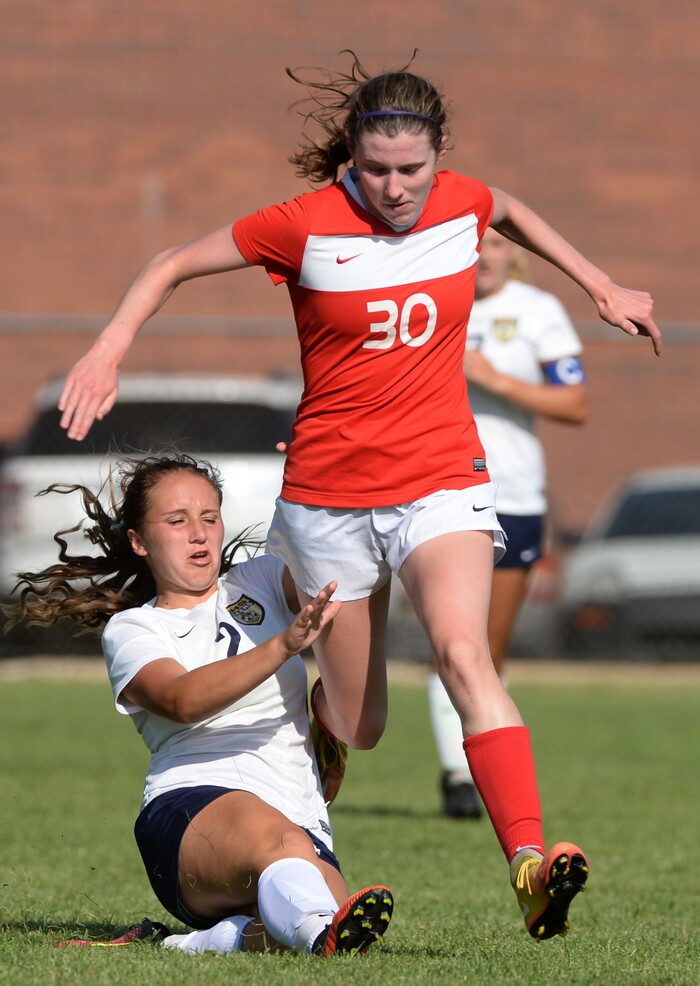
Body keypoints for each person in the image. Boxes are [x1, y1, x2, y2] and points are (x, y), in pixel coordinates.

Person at [56, 53, 662, 941]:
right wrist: (108, 347)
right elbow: (170, 262)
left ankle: (528, 863)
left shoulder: (464, 199)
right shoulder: (301, 225)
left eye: (412, 170)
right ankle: (321, 736)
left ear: (439, 156)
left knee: (464, 654)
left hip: (441, 477)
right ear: (350, 155)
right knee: (359, 723)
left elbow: (513, 212)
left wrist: (600, 284)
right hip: (329, 501)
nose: (395, 188)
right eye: (375, 170)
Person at [8, 454, 393, 957]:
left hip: (299, 819)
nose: (199, 533)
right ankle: (300, 921)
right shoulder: (134, 629)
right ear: (139, 541)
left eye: (209, 518)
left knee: (311, 921)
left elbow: (342, 568)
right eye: (177, 521)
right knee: (290, 866)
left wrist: (322, 475)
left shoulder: (258, 581)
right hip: (190, 809)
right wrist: (281, 646)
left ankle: (206, 943)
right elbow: (182, 699)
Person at [428, 229, 588, 820]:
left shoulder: (537, 311)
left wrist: (494, 379)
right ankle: (457, 777)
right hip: (436, 488)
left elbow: (575, 403)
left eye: (494, 246)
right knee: (451, 640)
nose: (484, 258)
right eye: (474, 248)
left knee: (486, 650)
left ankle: (477, 767)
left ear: (512, 254)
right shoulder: (434, 299)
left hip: (514, 495)